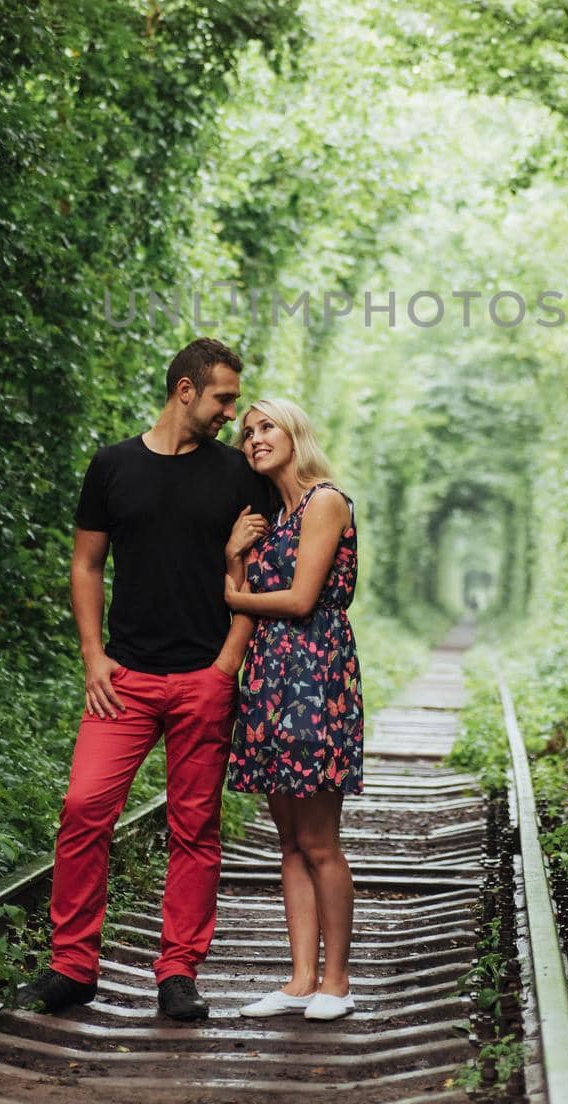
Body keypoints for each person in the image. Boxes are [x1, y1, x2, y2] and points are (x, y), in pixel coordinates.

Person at [17, 338, 275, 1022]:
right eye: (223, 397)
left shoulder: (237, 476)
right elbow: (86, 564)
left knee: (196, 827)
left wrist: (228, 664)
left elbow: (258, 574)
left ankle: (178, 972)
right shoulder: (113, 466)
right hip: (123, 678)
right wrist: (93, 655)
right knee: (82, 810)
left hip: (203, 676)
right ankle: (73, 966)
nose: (232, 411)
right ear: (185, 390)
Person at [223, 397, 363, 1022]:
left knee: (319, 840)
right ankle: (300, 979)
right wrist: (234, 556)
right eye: (246, 432)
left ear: (295, 431)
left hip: (314, 677)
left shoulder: (324, 501)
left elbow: (303, 599)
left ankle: (337, 982)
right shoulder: (269, 520)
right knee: (288, 841)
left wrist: (231, 592)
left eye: (266, 426)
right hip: (268, 678)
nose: (254, 438)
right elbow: (250, 595)